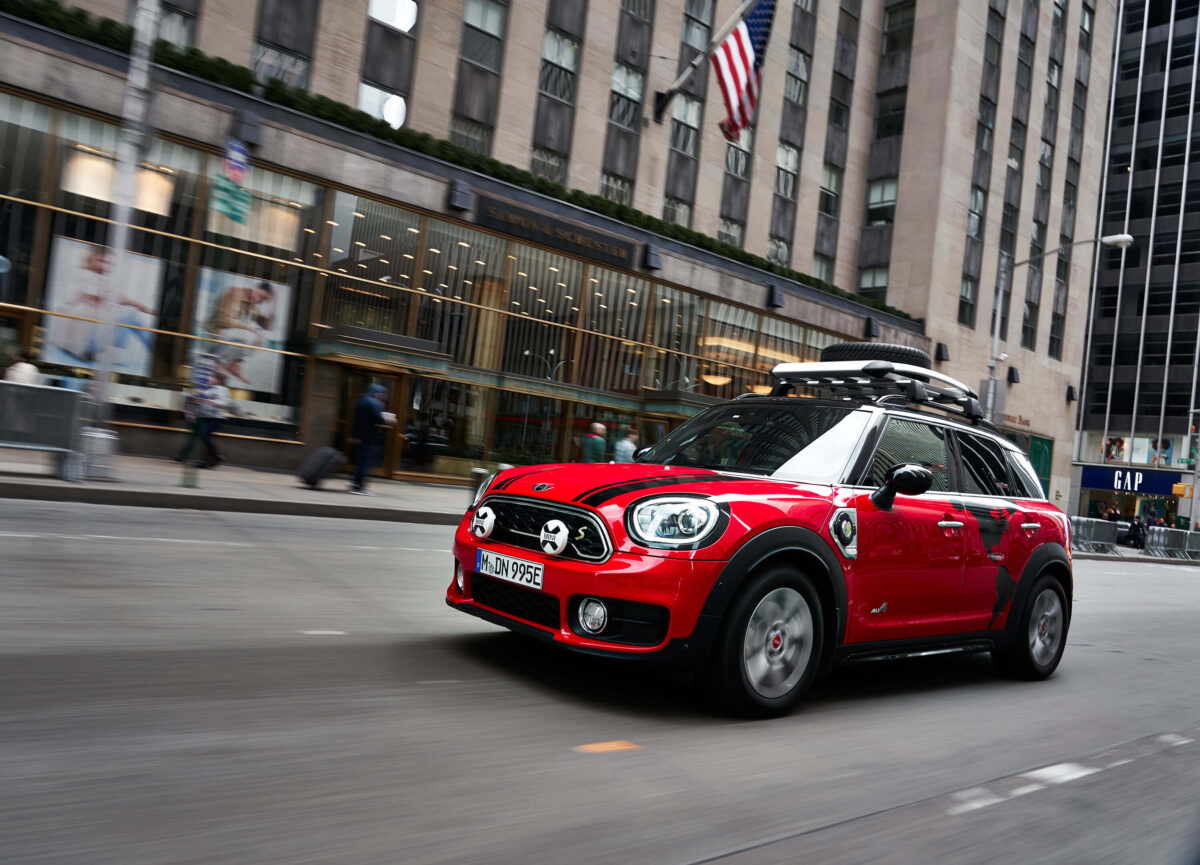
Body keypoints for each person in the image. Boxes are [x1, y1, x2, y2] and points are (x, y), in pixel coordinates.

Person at [204, 280, 276, 387]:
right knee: (249, 336)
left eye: (264, 300)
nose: (261, 301)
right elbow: (225, 321)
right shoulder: (235, 293)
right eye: (262, 297)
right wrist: (251, 329)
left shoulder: (252, 304)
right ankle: (217, 362)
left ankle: (234, 364)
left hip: (228, 335)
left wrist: (273, 305)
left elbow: (266, 326)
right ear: (256, 288)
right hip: (216, 330)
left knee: (261, 339)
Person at [175, 375, 231, 468]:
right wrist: (195, 397)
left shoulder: (221, 389)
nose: (209, 379)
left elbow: (225, 402)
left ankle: (213, 457)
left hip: (216, 417)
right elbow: (195, 401)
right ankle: (210, 459)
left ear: (218, 380)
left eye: (212, 377)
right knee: (202, 437)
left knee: (203, 436)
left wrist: (215, 402)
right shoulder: (205, 389)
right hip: (204, 417)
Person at [348, 384, 394, 495]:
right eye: (383, 394)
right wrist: (389, 420)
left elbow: (358, 421)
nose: (384, 397)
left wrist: (355, 436)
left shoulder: (361, 401)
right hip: (368, 438)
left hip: (359, 437)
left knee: (360, 462)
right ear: (378, 393)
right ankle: (359, 488)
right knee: (365, 463)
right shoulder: (374, 403)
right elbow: (378, 418)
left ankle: (355, 484)